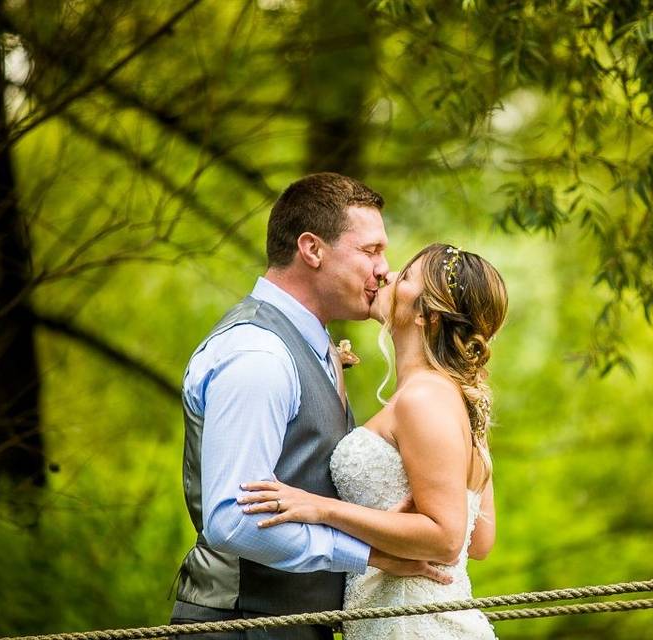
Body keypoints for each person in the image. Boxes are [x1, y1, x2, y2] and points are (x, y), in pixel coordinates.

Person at [170, 173, 449, 640]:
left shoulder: (312, 342)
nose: (385, 269)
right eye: (370, 251)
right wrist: (368, 553)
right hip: (237, 627)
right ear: (312, 249)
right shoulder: (258, 356)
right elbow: (232, 522)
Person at [238, 243, 507, 639]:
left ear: (427, 316)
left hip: (411, 624)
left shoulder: (423, 399)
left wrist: (321, 509)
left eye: (407, 276)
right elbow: (478, 541)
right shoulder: (449, 397)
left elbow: (450, 540)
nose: (389, 275)